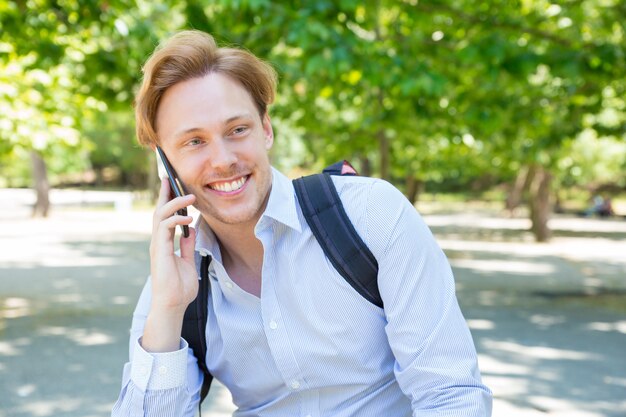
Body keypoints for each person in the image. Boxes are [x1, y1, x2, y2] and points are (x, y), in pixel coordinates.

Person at [112, 30, 492, 417]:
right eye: (194, 142)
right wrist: (169, 309)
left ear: (266, 129)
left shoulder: (371, 215)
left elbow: (450, 395)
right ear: (167, 165)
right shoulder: (173, 284)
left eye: (237, 130)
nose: (223, 159)